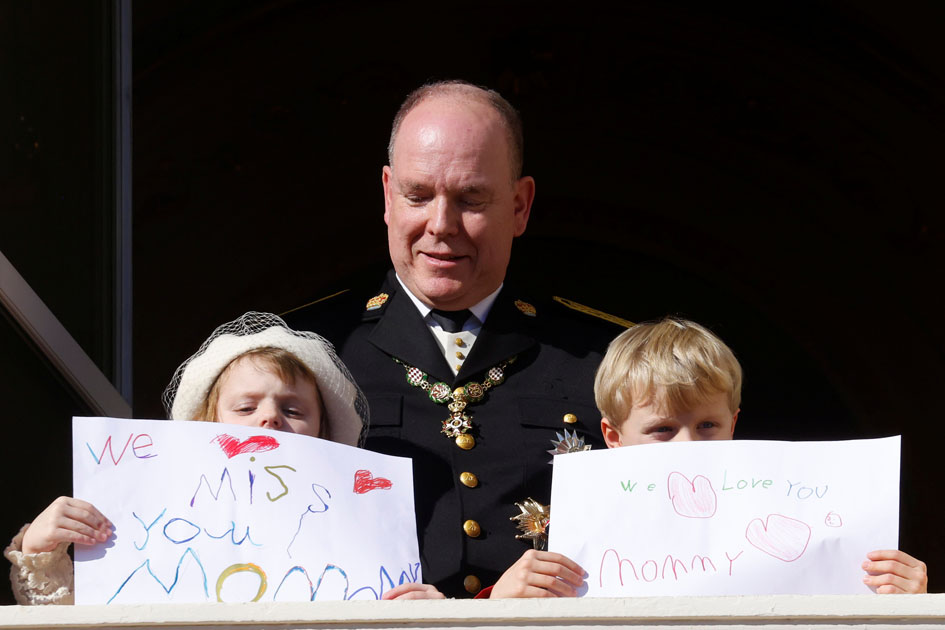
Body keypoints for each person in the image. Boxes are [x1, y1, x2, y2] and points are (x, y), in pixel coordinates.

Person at [284, 80, 629, 597]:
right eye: (418, 196)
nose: (441, 225)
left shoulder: (606, 358)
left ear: (519, 205)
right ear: (386, 194)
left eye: (470, 198)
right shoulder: (302, 353)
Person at [5, 312, 442, 604]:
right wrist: (41, 551)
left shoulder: (364, 536)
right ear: (206, 423)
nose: (270, 418)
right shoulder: (143, 518)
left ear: (325, 435)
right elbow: (79, 616)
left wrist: (428, 617)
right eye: (246, 408)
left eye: (293, 410)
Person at [486, 317, 928, 597]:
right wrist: (499, 607)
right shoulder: (579, 538)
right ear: (612, 436)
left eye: (707, 426)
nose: (688, 447)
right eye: (662, 429)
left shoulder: (788, 510)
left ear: (733, 424)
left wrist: (908, 606)